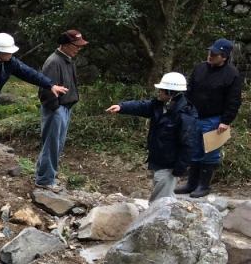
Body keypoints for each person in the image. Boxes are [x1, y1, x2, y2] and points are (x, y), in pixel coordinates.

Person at [0, 33, 69, 183]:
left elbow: (29, 73)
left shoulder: (9, 63)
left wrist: (50, 85)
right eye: (8, 52)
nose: (11, 54)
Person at [105, 72, 198, 202]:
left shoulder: (185, 116)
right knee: (166, 199)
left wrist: (179, 169)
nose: (158, 92)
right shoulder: (160, 106)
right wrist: (121, 107)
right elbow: (141, 106)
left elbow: (187, 144)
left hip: (169, 166)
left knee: (159, 202)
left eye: (161, 90)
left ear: (171, 93)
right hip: (158, 161)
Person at [176, 38, 242, 198]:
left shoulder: (231, 74)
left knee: (211, 153)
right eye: (210, 51)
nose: (211, 55)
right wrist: (184, 109)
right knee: (194, 151)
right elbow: (190, 90)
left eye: (215, 53)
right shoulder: (199, 68)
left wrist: (226, 121)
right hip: (195, 117)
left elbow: (234, 100)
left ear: (224, 56)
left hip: (215, 119)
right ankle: (191, 184)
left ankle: (203, 186)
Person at [35, 29, 88, 190]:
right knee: (52, 144)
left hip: (65, 108)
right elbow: (45, 89)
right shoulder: (54, 62)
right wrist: (56, 108)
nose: (78, 49)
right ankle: (45, 180)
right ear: (64, 45)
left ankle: (46, 176)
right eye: (76, 46)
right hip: (56, 109)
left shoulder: (67, 60)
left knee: (56, 144)